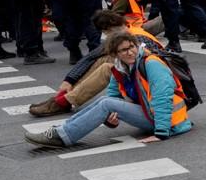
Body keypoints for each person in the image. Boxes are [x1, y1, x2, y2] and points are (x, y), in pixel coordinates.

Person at [24, 32, 191, 148]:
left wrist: (161, 133)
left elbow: (163, 97)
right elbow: (112, 100)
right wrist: (111, 121)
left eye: (132, 46)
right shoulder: (119, 69)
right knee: (105, 101)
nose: (130, 52)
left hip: (171, 122)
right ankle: (60, 130)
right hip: (151, 115)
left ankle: (63, 136)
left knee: (106, 103)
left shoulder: (151, 63)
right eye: (124, 50)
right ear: (115, 54)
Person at [28, 10, 164, 117]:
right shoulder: (128, 32)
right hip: (149, 79)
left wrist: (69, 79)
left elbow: (146, 62)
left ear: (108, 30)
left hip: (152, 85)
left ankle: (64, 101)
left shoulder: (130, 37)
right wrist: (69, 80)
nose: (105, 36)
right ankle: (62, 98)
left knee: (108, 64)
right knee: (104, 59)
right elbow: (91, 57)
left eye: (105, 33)